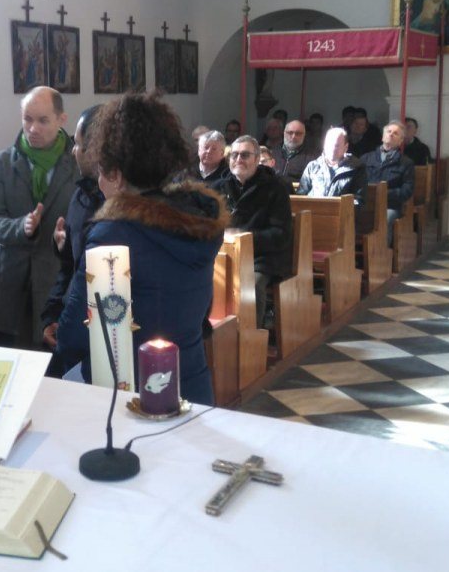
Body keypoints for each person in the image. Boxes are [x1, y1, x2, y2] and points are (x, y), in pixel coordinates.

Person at [56, 92, 226, 406]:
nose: (100, 185)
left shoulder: (112, 233)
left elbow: (76, 334)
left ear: (116, 174)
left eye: (101, 174)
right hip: (192, 381)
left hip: (134, 394)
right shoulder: (197, 220)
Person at [0, 86, 80, 348]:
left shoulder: (79, 165)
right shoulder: (0, 163)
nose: (33, 128)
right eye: (27, 119)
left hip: (56, 288)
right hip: (8, 290)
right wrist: (21, 227)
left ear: (62, 120)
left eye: (43, 120)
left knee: (52, 378)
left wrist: (68, 238)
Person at [40, 105, 105, 366]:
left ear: (97, 148)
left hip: (106, 334)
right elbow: (70, 266)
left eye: (78, 144)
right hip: (71, 324)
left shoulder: (124, 204)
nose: (74, 151)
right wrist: (53, 314)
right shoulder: (80, 196)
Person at [222, 135, 293, 329]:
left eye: (245, 155)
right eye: (234, 155)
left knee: (250, 285)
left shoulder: (275, 188)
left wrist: (244, 238)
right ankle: (219, 338)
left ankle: (251, 339)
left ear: (256, 158)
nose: (238, 159)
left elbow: (281, 234)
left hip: (263, 258)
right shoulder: (221, 187)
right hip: (225, 254)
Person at [360, 120, 415, 245]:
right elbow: (357, 181)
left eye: (395, 133)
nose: (391, 134)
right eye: (389, 132)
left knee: (385, 218)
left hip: (390, 205)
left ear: (401, 141)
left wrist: (385, 194)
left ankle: (381, 254)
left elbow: (407, 190)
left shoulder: (406, 163)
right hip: (366, 203)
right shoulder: (366, 158)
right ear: (383, 136)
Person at [298, 128, 366, 198]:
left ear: (346, 147)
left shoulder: (357, 168)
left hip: (342, 208)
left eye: (336, 146)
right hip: (312, 208)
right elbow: (300, 196)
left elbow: (358, 200)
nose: (332, 149)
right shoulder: (313, 166)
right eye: (329, 144)